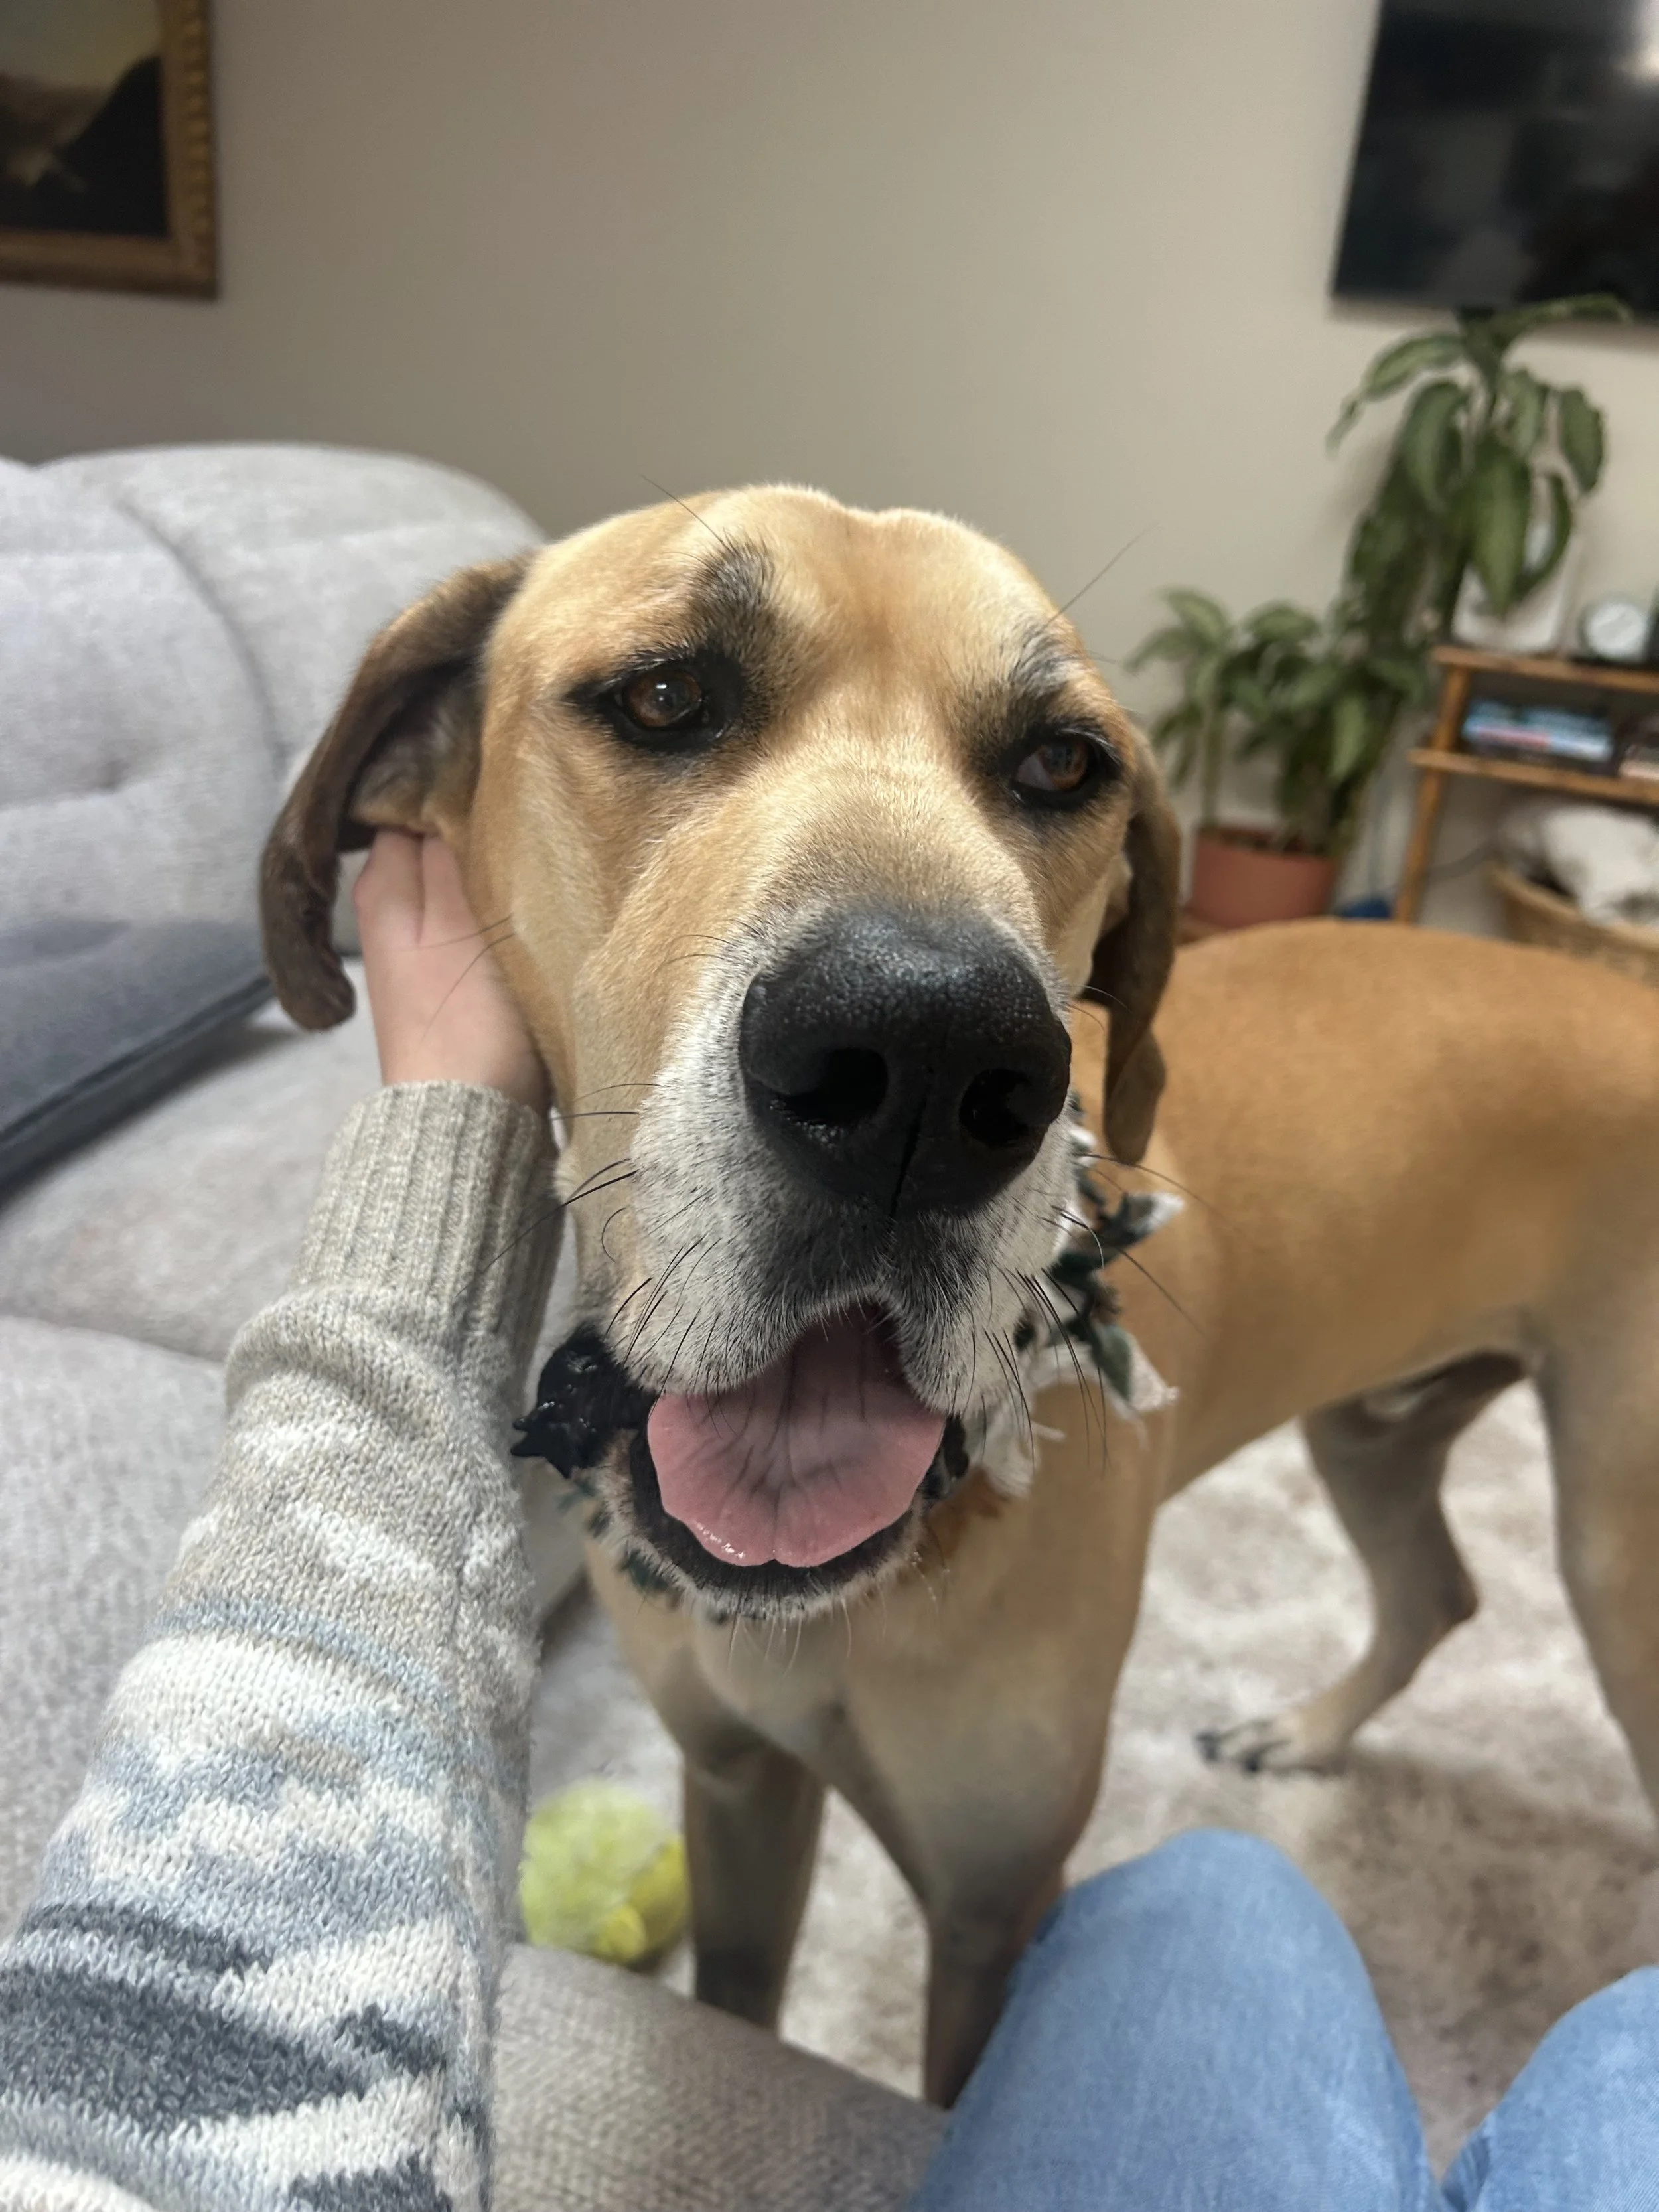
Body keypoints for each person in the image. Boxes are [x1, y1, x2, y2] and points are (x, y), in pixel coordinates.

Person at [1, 832, 1654, 2212]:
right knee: (1198, 1902)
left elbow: (984, 1931)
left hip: (1598, 1178)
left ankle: (1383, 1659)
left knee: (1204, 1870)